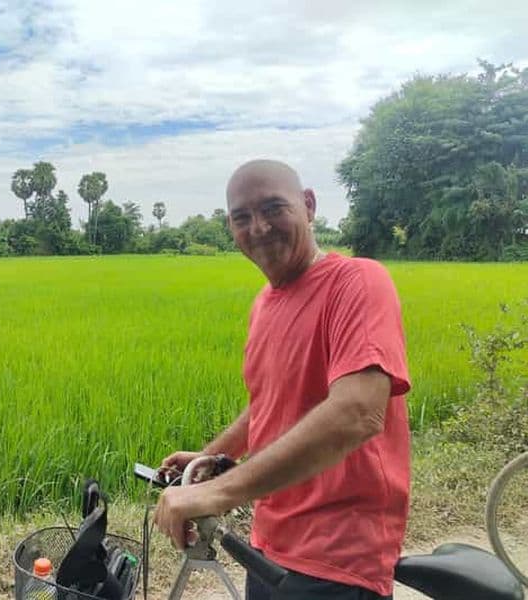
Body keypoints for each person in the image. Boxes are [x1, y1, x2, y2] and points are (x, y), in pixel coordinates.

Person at [153, 160, 411, 600]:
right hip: (269, 541)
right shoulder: (265, 304)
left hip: (339, 558)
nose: (259, 227)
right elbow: (272, 400)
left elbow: (358, 412)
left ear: (308, 205)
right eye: (242, 217)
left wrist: (219, 493)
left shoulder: (357, 282)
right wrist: (213, 458)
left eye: (274, 208)